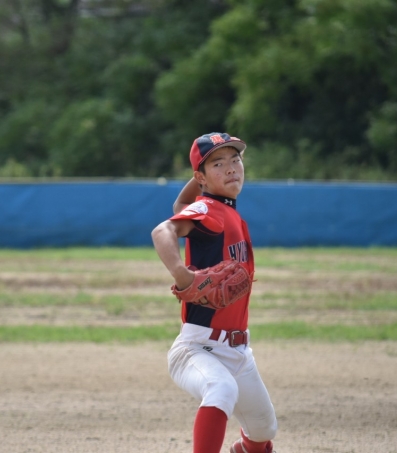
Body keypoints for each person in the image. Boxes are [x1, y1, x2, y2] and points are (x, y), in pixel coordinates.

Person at [151, 133, 277, 453]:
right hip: (199, 348)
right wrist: (181, 274)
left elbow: (180, 205)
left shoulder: (221, 209)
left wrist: (207, 175)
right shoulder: (210, 211)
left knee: (263, 431)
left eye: (235, 160)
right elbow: (163, 230)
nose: (231, 168)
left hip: (239, 353)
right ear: (201, 178)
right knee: (221, 390)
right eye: (218, 164)